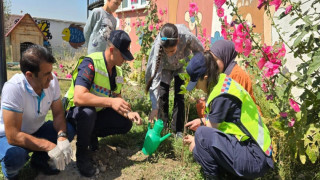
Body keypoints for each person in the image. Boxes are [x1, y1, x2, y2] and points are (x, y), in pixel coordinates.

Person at [64, 30, 142, 177]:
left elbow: (117, 99)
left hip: (95, 114)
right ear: (112, 50)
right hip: (75, 113)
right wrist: (111, 102)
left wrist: (129, 113)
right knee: (88, 112)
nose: (125, 60)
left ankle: (91, 134)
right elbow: (79, 98)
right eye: (123, 56)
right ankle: (82, 154)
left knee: (125, 122)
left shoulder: (118, 72)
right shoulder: (91, 63)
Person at [183, 52, 273, 179]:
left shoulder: (222, 95)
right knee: (199, 149)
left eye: (196, 82)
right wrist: (202, 122)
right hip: (251, 151)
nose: (196, 87)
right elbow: (222, 122)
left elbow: (207, 134)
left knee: (200, 137)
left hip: (255, 157)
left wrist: (195, 141)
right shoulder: (223, 82)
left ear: (206, 76)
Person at [0, 45, 75, 180]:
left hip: (36, 129)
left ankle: (39, 162)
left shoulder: (52, 83)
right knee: (14, 155)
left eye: (51, 72)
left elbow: (58, 113)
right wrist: (49, 146)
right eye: (46, 74)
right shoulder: (14, 89)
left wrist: (62, 136)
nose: (52, 78)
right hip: (9, 136)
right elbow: (13, 135)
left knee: (68, 129)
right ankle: (11, 174)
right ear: (29, 75)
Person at [145, 23, 204, 138]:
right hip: (165, 67)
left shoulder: (186, 36)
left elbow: (200, 50)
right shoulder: (158, 45)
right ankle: (163, 127)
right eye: (166, 52)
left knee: (179, 94)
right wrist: (154, 107)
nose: (169, 54)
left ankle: (178, 130)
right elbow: (155, 76)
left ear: (178, 41)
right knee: (162, 93)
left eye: (172, 51)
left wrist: (195, 67)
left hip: (181, 64)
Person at [195, 39, 261, 118]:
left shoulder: (236, 75)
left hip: (248, 120)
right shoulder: (225, 74)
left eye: (215, 60)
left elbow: (229, 107)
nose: (213, 64)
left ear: (225, 57)